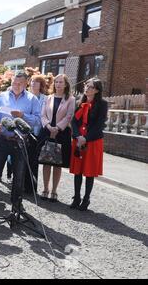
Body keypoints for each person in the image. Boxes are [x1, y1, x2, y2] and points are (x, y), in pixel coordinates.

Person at [0, 72, 41, 212]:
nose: (16, 86)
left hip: (20, 142)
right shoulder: (2, 96)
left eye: (19, 83)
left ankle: (16, 203)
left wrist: (23, 115)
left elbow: (38, 120)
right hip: (3, 139)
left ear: (26, 83)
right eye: (14, 83)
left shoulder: (32, 99)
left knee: (19, 174)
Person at [70, 78, 108, 211]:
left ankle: (86, 199)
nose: (87, 88)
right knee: (78, 171)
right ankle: (76, 197)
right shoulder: (79, 101)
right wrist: (77, 136)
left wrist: (86, 138)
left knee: (89, 171)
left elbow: (99, 125)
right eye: (86, 86)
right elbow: (74, 121)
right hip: (78, 140)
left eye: (91, 87)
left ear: (97, 90)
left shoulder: (102, 104)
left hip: (92, 141)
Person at [39, 74, 76, 202]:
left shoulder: (71, 99)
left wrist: (58, 128)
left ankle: (54, 191)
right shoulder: (48, 98)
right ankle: (45, 189)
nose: (58, 84)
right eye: (56, 82)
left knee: (57, 163)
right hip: (47, 132)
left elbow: (69, 116)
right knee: (46, 161)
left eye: (61, 82)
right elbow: (42, 115)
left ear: (66, 84)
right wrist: (49, 127)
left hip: (62, 133)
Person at [24, 75, 49, 195]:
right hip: (24, 132)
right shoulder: (25, 96)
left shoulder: (45, 99)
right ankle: (20, 184)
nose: (33, 83)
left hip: (38, 134)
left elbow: (45, 115)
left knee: (34, 161)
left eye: (37, 82)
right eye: (32, 81)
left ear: (41, 85)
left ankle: (31, 188)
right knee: (23, 160)